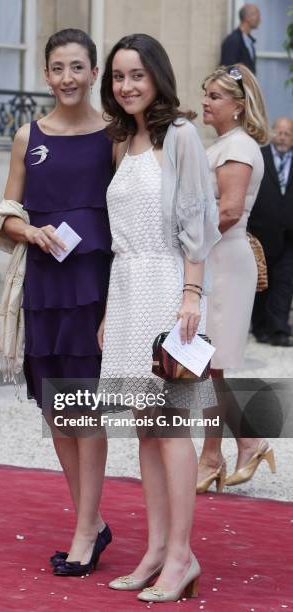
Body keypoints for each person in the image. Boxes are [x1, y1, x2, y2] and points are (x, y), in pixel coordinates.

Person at [99, 34, 220, 603]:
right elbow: (119, 237)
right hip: (126, 291)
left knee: (172, 429)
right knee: (145, 430)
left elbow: (199, 217)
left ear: (158, 78)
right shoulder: (123, 140)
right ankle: (154, 549)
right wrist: (107, 311)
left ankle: (181, 556)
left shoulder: (182, 135)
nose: (127, 86)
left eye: (137, 76)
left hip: (170, 286)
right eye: (119, 76)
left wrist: (191, 294)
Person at [0, 29, 113, 577]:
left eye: (78, 67)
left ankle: (85, 528)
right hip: (43, 289)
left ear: (93, 73)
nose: (68, 77)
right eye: (58, 67)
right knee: (56, 409)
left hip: (93, 287)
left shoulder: (113, 136)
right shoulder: (27, 136)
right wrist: (28, 231)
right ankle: (88, 519)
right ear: (46, 74)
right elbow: (7, 209)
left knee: (87, 410)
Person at [197, 64, 275, 492]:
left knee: (209, 365)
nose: (205, 101)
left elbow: (228, 213)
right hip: (217, 258)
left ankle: (241, 444)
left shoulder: (239, 147)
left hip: (223, 259)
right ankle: (222, 452)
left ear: (238, 106)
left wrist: (189, 245)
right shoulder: (227, 143)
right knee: (210, 366)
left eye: (214, 96)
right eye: (205, 94)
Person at [248, 117, 293, 347]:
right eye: (280, 132)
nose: (283, 137)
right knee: (261, 282)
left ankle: (279, 329)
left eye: (288, 133)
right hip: (261, 232)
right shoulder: (260, 157)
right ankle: (260, 327)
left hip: (289, 236)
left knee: (284, 283)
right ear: (272, 133)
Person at [221, 4, 260, 74]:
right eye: (257, 15)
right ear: (247, 17)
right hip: (237, 85)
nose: (259, 19)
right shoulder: (233, 40)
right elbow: (229, 69)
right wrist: (241, 84)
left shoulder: (249, 41)